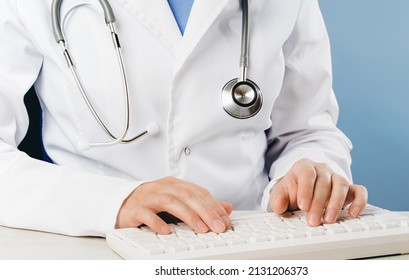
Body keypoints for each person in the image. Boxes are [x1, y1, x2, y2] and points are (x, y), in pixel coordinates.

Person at [0, 0, 367, 237]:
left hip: (251, 240)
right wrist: (114, 201)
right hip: (97, 244)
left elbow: (307, 130)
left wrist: (310, 172)